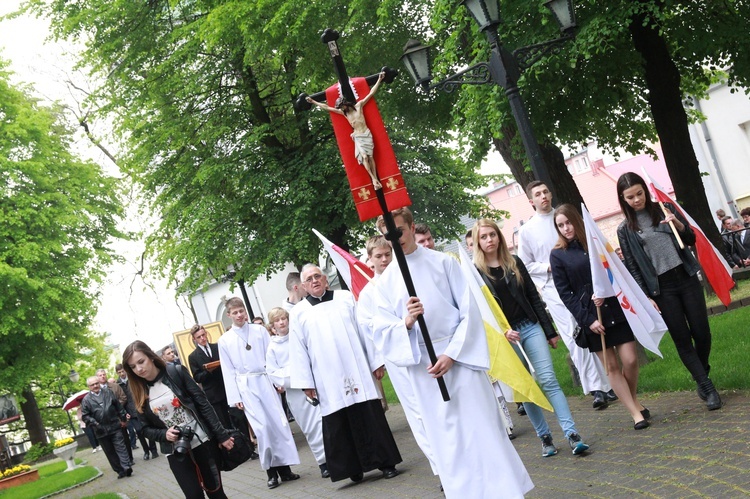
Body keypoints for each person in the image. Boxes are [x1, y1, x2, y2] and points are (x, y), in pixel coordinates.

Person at [372, 208, 533, 498]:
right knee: (449, 441)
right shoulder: (384, 284)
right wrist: (406, 322)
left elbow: (470, 312)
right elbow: (381, 333)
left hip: (461, 361)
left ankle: (505, 491)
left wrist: (452, 354)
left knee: (482, 430)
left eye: (400, 231)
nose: (396, 240)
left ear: (410, 227)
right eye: (389, 235)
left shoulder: (443, 263)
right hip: (425, 371)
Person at [474, 218, 590, 457]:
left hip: (530, 327)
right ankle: (544, 437)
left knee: (548, 380)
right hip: (506, 337)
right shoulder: (476, 274)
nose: (489, 240)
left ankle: (572, 434)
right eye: (483, 237)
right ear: (477, 242)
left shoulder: (514, 262)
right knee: (524, 388)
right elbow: (480, 312)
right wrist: (502, 332)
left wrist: (549, 331)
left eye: (492, 235)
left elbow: (533, 297)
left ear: (499, 237)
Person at [616, 172, 722, 410]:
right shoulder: (625, 230)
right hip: (661, 288)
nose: (636, 200)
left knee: (702, 332)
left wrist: (677, 222)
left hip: (685, 277)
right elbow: (632, 266)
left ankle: (701, 371)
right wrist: (646, 297)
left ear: (645, 190)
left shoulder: (664, 209)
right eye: (630, 197)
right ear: (623, 199)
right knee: (682, 338)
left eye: (639, 194)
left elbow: (690, 238)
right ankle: (706, 386)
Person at [289, 263, 401, 483]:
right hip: (327, 376)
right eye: (309, 279)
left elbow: (363, 331)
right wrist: (306, 382)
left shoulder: (345, 298)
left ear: (325, 278)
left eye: (317, 276)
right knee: (339, 422)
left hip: (356, 367)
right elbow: (298, 350)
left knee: (369, 414)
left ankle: (385, 463)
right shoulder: (299, 313)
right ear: (303, 285)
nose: (314, 281)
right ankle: (353, 468)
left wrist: (375, 361)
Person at [550, 204, 650, 430]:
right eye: (560, 225)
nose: (566, 228)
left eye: (568, 222)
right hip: (590, 316)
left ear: (577, 220)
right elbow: (566, 294)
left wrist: (608, 291)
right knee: (612, 366)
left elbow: (616, 270)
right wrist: (588, 320)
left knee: (631, 360)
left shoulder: (595, 243)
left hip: (614, 308)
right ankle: (635, 413)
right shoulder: (557, 255)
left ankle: (632, 398)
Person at [517, 181, 615, 409]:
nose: (543, 197)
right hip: (554, 289)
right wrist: (549, 267)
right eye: (537, 194)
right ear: (531, 201)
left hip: (582, 286)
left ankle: (611, 382)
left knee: (594, 329)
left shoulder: (563, 218)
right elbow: (525, 265)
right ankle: (596, 388)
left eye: (545, 192)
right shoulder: (527, 230)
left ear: (550, 194)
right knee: (574, 337)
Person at [358, 235, 439, 476]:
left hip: (423, 350)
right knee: (417, 411)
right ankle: (439, 467)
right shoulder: (368, 293)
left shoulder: (404, 277)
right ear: (370, 259)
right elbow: (369, 327)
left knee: (435, 406)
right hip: (398, 356)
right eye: (378, 256)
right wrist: (401, 325)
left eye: (387, 254)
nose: (384, 260)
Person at [123, 341, 233, 499]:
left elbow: (203, 404)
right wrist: (164, 435)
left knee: (216, 493)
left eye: (141, 362)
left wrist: (221, 435)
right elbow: (144, 429)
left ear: (151, 357)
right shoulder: (137, 390)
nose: (139, 369)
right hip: (176, 452)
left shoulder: (175, 372)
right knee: (193, 495)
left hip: (202, 442)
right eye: (133, 367)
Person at [219, 297, 300, 489]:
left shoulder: (259, 331)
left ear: (245, 312)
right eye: (235, 312)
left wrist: (276, 380)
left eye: (241, 311)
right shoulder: (225, 340)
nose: (239, 315)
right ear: (229, 315)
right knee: (262, 429)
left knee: (277, 424)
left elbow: (270, 356)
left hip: (265, 379)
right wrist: (235, 397)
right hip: (246, 385)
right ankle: (271, 472)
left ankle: (285, 470)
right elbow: (228, 370)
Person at [265, 307, 329, 478]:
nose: (282, 322)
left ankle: (335, 454)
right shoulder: (272, 348)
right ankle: (323, 462)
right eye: (277, 320)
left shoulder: (298, 338)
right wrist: (295, 376)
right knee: (310, 427)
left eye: (284, 318)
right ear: (273, 327)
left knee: (324, 421)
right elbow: (273, 373)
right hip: (296, 392)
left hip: (313, 386)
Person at [306, 72, 386, 188]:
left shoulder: (358, 106)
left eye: (342, 106)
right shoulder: (344, 114)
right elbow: (327, 108)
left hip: (366, 134)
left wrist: (379, 79)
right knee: (364, 156)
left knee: (370, 157)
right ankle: (373, 180)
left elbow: (371, 93)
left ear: (345, 103)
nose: (341, 108)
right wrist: (313, 102)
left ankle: (376, 179)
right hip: (358, 137)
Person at [80, 376, 132, 478]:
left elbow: (118, 406)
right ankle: (119, 470)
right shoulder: (86, 400)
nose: (95, 386)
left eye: (96, 383)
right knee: (110, 452)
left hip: (114, 425)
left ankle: (127, 467)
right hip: (100, 430)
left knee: (121, 447)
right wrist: (95, 423)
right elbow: (85, 416)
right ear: (89, 387)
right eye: (92, 385)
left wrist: (123, 418)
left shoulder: (108, 392)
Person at [116, 363, 159, 460]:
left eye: (123, 371)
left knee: (149, 427)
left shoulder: (133, 379)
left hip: (141, 406)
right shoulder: (118, 384)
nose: (122, 373)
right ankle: (146, 451)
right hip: (130, 411)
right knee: (139, 431)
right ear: (117, 373)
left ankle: (153, 450)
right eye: (120, 372)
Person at [97, 368, 134, 466]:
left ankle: (130, 458)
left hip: (119, 415)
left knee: (125, 438)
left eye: (104, 374)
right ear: (97, 377)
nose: (103, 376)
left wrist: (114, 406)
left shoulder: (115, 386)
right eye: (100, 375)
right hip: (107, 420)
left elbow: (123, 397)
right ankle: (121, 461)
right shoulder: (97, 390)